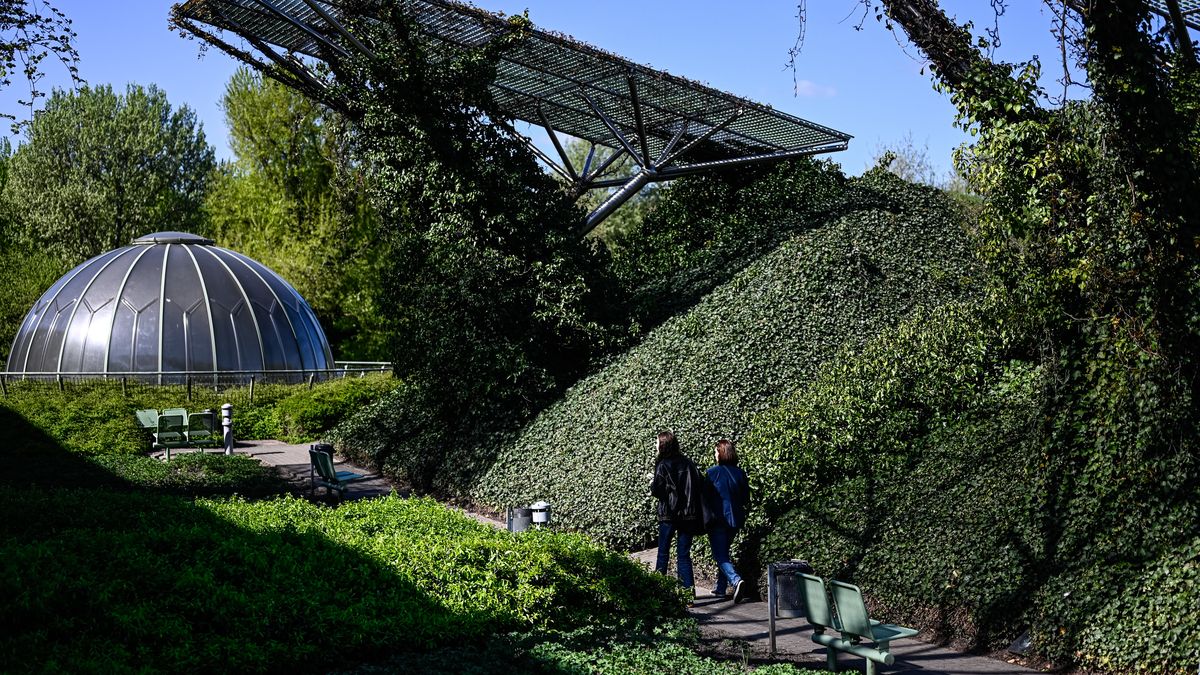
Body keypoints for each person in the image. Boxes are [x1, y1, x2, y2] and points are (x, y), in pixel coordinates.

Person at [650, 430, 704, 598]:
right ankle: (688, 596)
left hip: (668, 514)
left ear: (663, 445)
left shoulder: (662, 464)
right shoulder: (688, 463)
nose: (655, 445)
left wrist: (652, 483)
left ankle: (658, 592)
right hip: (688, 515)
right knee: (683, 555)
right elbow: (699, 484)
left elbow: (658, 490)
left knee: (663, 553)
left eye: (657, 442)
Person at [706, 438, 752, 603]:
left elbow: (705, 496)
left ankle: (735, 579)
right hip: (736, 519)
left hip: (718, 519)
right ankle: (720, 588)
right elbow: (746, 498)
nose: (714, 454)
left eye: (716, 451)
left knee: (720, 554)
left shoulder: (713, 473)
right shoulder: (740, 473)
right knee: (724, 551)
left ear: (721, 453)